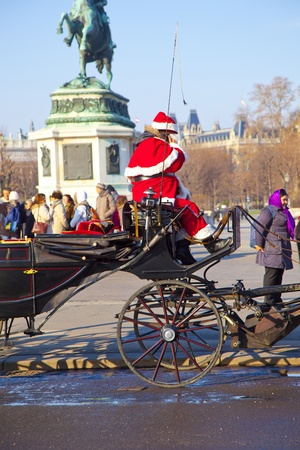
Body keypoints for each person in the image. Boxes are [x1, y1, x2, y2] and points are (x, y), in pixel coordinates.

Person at [124, 111, 230, 263]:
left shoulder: (148, 144)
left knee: (179, 215)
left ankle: (182, 249)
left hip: (153, 196)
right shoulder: (154, 144)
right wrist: (174, 145)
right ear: (164, 132)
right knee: (188, 208)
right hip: (154, 198)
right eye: (169, 134)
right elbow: (175, 161)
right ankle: (210, 243)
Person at [255, 188, 295, 310]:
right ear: (277, 199)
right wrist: (259, 244)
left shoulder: (284, 211)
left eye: (286, 200)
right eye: (283, 200)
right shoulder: (269, 211)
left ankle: (277, 299)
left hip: (282, 248)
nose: (285, 202)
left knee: (279, 274)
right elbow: (260, 227)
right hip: (272, 249)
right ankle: (268, 301)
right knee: (271, 274)